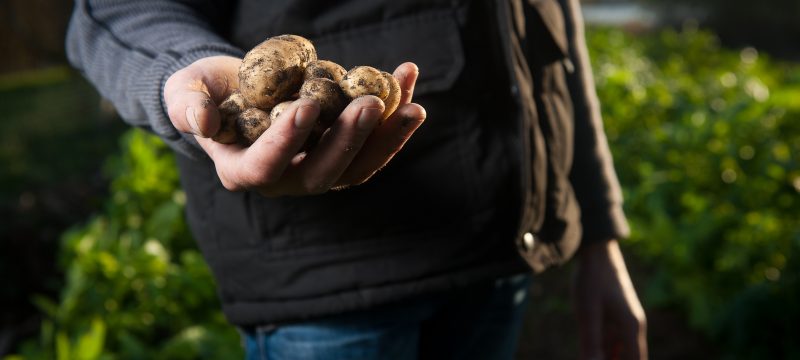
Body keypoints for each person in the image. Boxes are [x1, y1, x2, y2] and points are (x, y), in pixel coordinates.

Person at [66, 0, 647, 359]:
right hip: (330, 289)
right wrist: (179, 75)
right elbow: (114, 9)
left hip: (496, 265)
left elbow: (549, 33)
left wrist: (598, 232)